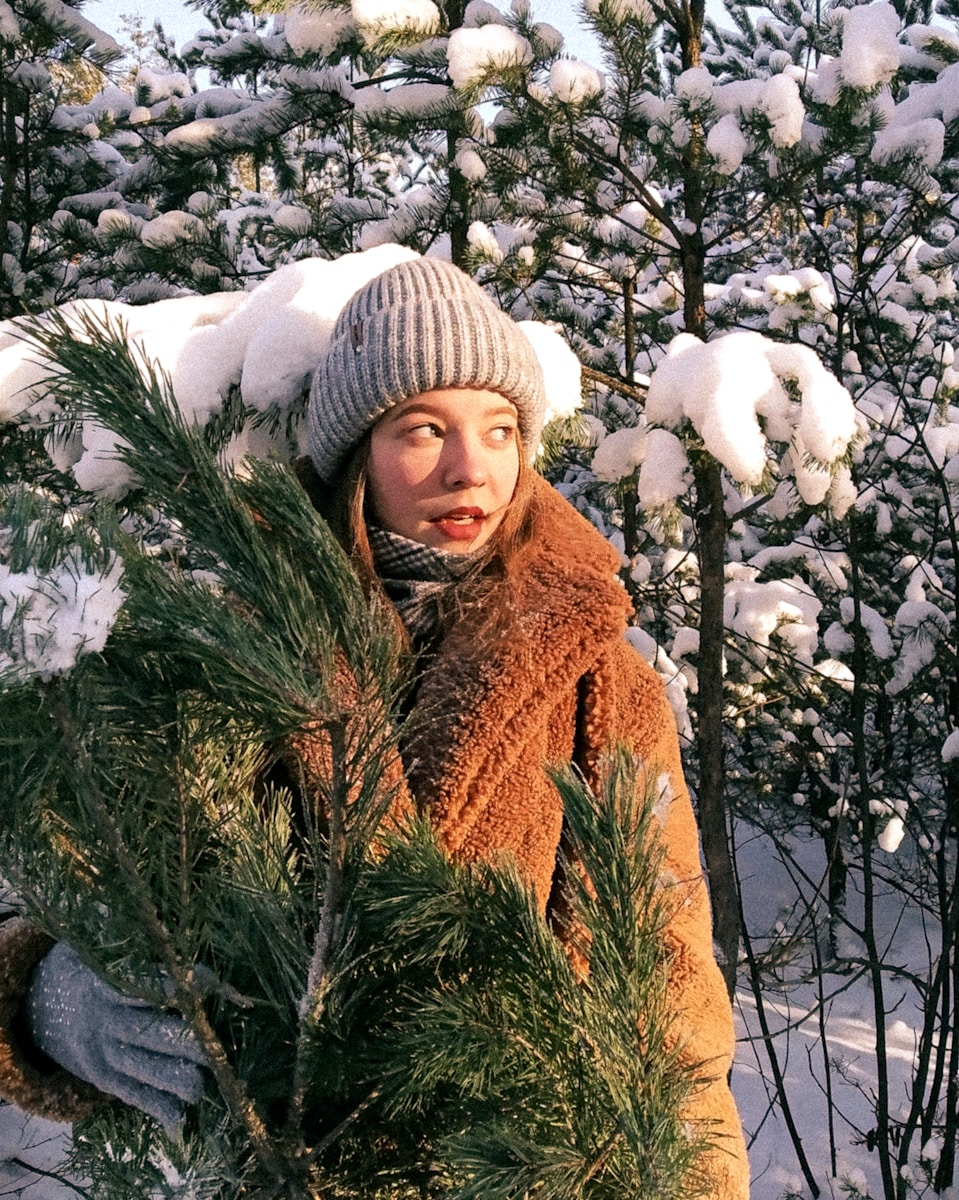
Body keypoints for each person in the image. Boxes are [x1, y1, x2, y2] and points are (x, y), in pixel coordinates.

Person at [0, 257, 749, 1197]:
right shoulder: (233, 655)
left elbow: (672, 981)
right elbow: (71, 867)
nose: (470, 466)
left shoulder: (600, 681)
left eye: (500, 428)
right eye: (423, 428)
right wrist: (45, 996)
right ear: (356, 451)